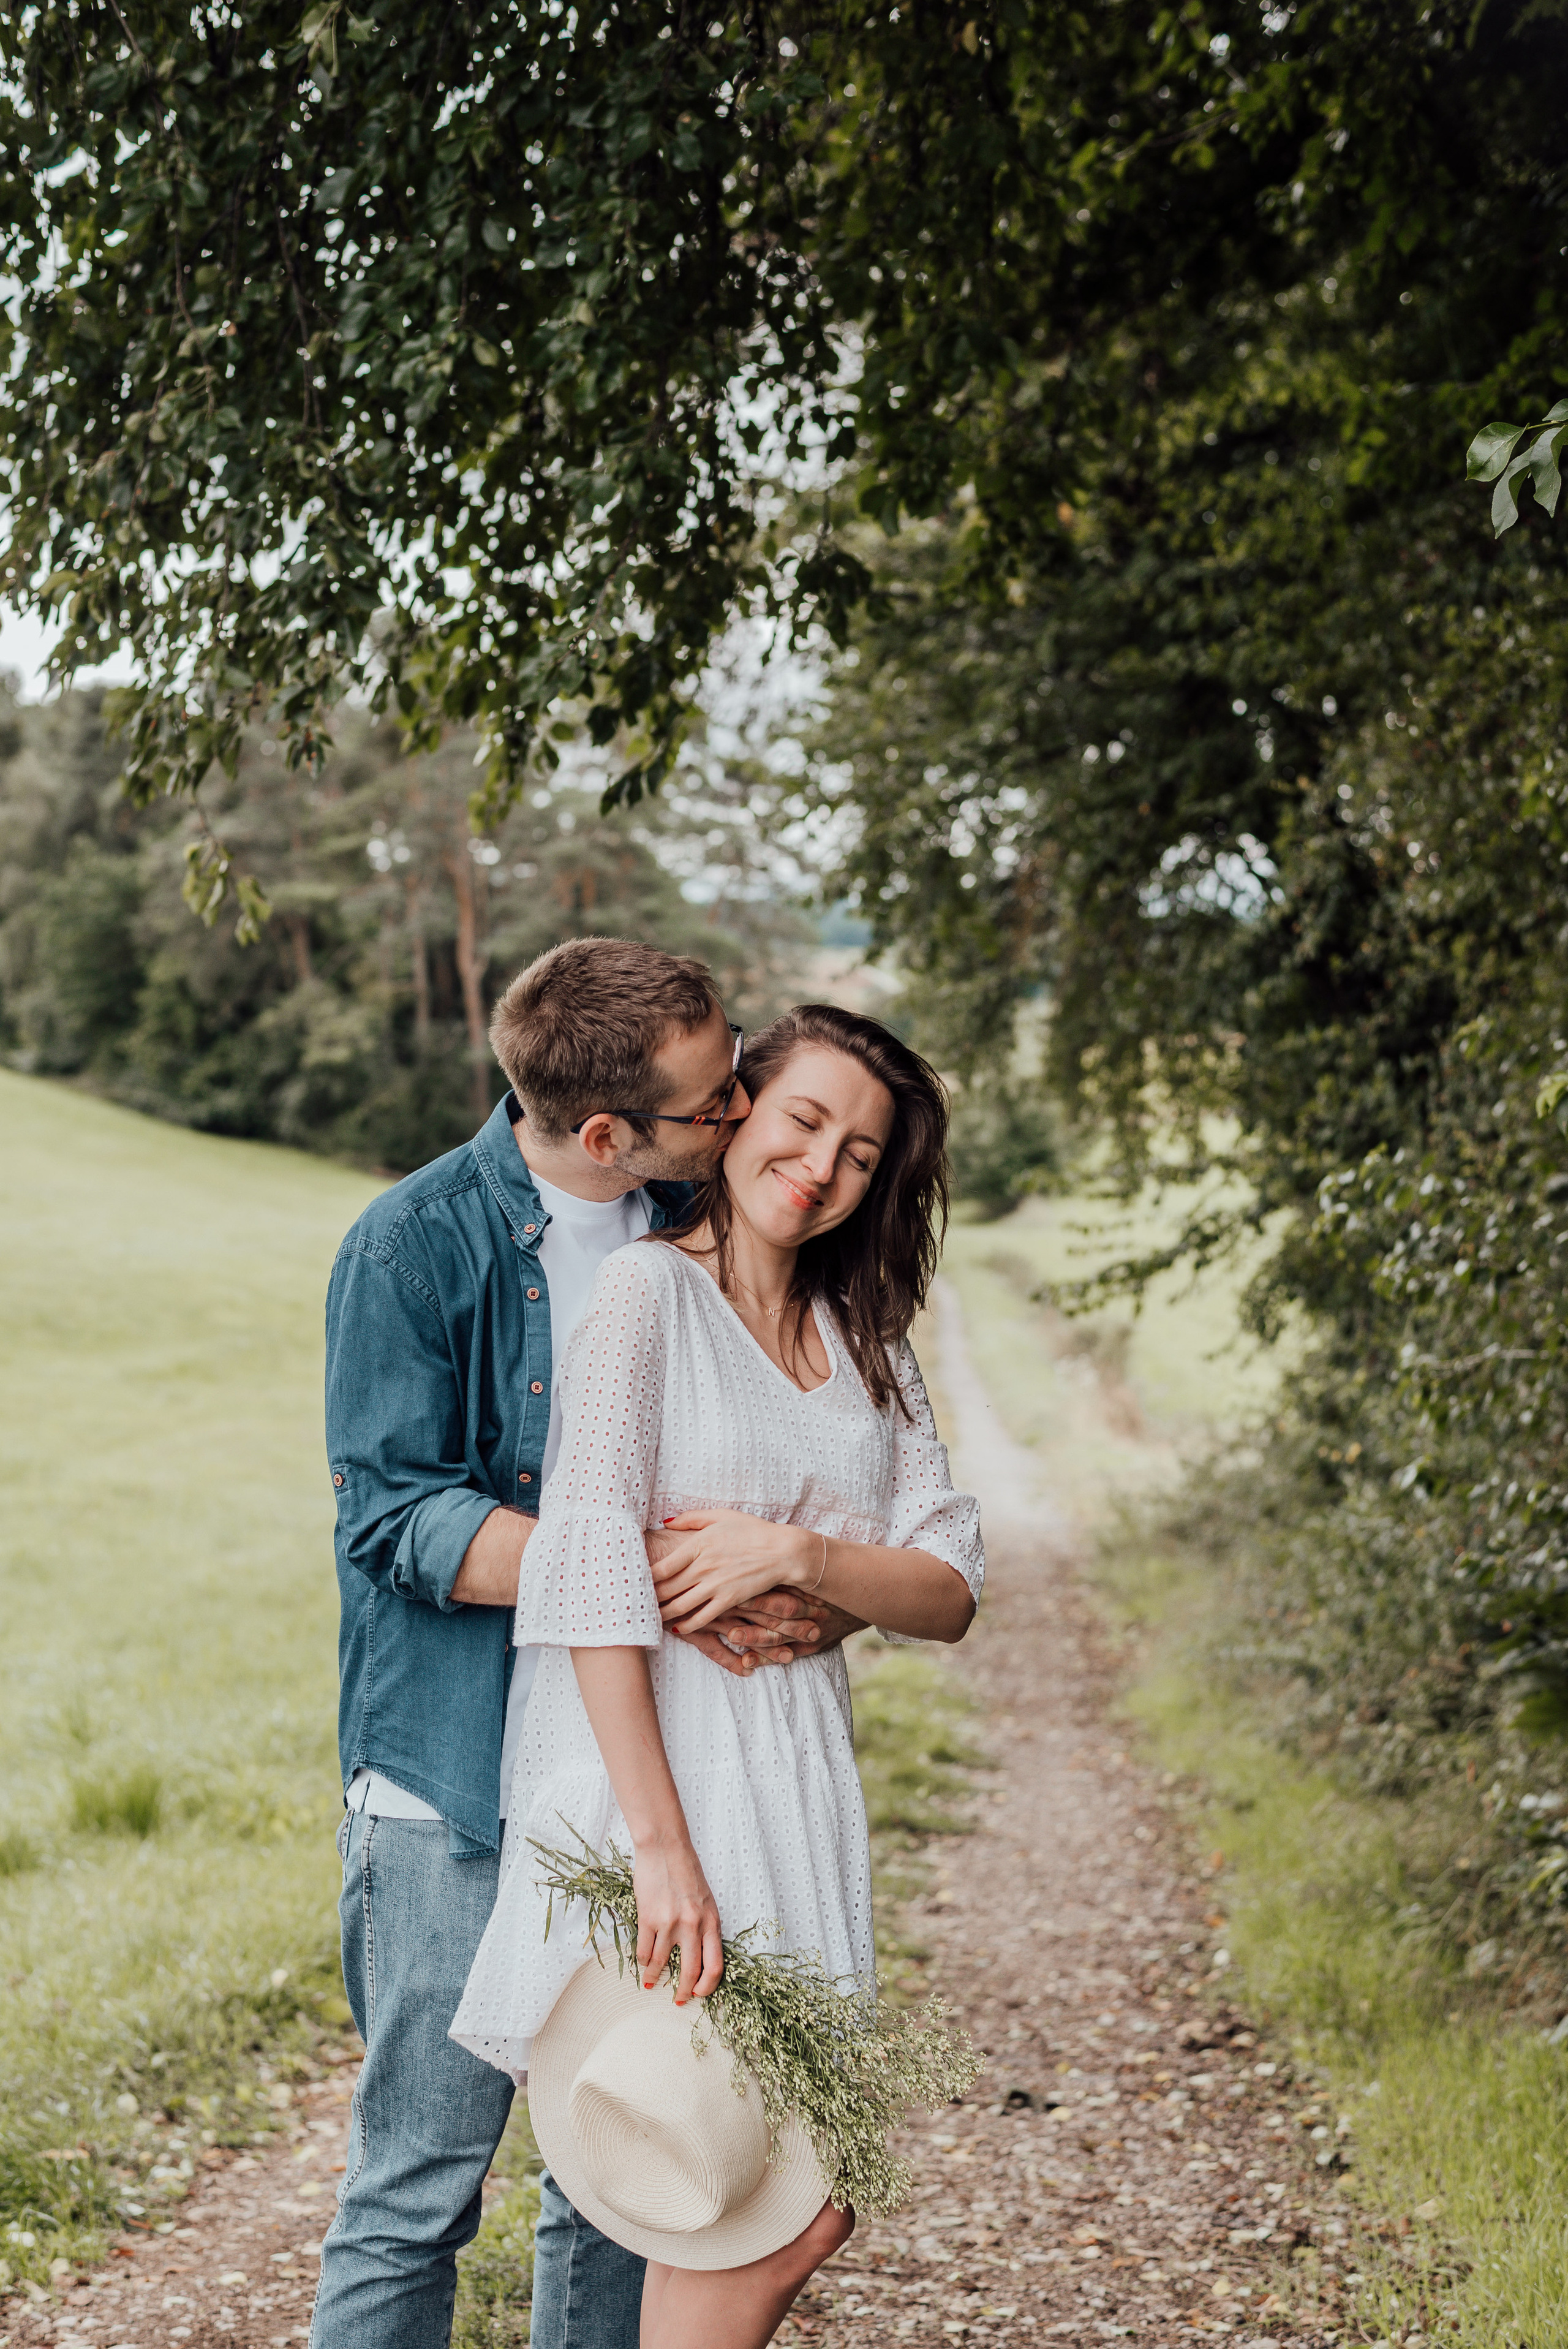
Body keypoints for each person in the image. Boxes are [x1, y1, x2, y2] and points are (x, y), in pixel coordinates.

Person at [312, 940, 865, 2349]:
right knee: (418, 2188)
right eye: (714, 1101)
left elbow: (818, 1462)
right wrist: (645, 1567)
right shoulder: (409, 1243)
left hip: (643, 1772)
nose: (742, 1112)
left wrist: (821, 1587)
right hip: (455, 1775)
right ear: (606, 1131)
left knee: (625, 2173)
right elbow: (395, 1521)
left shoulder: (702, 1218)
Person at [451, 1003, 984, 2349]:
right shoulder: (647, 1295)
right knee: (746, 2182)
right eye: (804, 1122)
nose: (823, 1166)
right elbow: (585, 1579)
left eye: (862, 1155)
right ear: (741, 1107)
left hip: (799, 1772)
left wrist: (795, 1556)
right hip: (674, 1776)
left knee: (796, 2181)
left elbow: (948, 1589)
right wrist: (658, 1851)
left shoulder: (867, 1336)